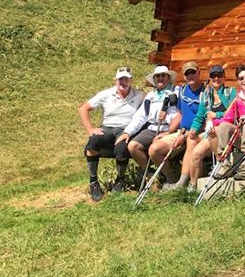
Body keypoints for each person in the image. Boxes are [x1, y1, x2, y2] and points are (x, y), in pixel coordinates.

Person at [78, 66, 144, 201]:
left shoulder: (139, 95)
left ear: (131, 80)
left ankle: (120, 180)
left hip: (125, 129)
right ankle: (93, 182)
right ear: (116, 80)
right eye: (120, 79)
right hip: (107, 128)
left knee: (121, 147)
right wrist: (90, 128)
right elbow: (83, 108)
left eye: (126, 79)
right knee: (92, 143)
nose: (123, 82)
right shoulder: (106, 94)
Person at [116, 65, 180, 182]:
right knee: (133, 146)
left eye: (163, 76)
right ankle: (152, 173)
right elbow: (140, 116)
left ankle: (170, 176)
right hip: (152, 128)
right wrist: (127, 132)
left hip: (169, 129)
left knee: (154, 148)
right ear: (154, 80)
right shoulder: (151, 96)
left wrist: (168, 118)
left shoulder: (176, 92)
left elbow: (180, 113)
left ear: (168, 78)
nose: (160, 78)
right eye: (157, 76)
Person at [156, 61, 206, 192]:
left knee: (191, 140)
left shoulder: (206, 91)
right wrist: (169, 131)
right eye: (187, 73)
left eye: (192, 72)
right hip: (182, 131)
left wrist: (185, 135)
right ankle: (170, 178)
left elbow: (205, 116)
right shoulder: (183, 91)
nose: (190, 76)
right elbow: (180, 113)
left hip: (199, 131)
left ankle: (182, 183)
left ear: (199, 72)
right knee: (154, 148)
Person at [187, 64, 237, 188]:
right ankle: (193, 185)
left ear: (224, 77)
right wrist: (194, 128)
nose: (216, 78)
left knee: (214, 132)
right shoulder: (206, 95)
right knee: (196, 153)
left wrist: (216, 114)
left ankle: (221, 163)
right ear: (209, 78)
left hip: (226, 128)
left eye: (219, 75)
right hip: (211, 129)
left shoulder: (230, 92)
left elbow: (233, 111)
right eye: (213, 76)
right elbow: (200, 115)